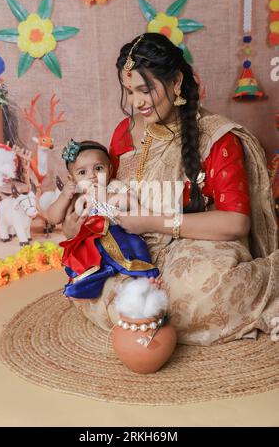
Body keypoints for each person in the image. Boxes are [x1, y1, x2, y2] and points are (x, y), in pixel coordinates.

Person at [62, 33, 279, 345]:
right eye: (129, 91)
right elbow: (105, 198)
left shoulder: (216, 137)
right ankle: (142, 306)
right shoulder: (125, 132)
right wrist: (78, 227)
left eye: (144, 89)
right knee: (89, 274)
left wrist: (152, 221)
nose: (136, 102)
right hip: (133, 249)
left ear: (176, 82)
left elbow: (236, 222)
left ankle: (142, 312)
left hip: (197, 245)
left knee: (204, 289)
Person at [47, 139, 159, 299]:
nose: (92, 176)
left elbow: (131, 202)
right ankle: (90, 285)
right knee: (86, 263)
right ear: (71, 178)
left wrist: (104, 195)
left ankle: (142, 282)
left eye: (98, 168)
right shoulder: (75, 195)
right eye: (82, 172)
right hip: (90, 243)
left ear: (110, 169)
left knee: (130, 253)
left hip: (116, 235)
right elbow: (53, 217)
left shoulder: (113, 186)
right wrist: (64, 196)